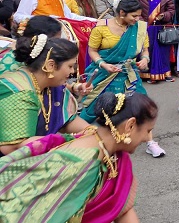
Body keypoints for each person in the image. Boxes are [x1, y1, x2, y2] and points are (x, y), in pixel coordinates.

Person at [0, 92, 158, 222]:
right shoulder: (80, 165)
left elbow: (123, 210)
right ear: (130, 126)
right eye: (148, 130)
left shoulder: (112, 154)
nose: (147, 137)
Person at [0, 36, 90, 156]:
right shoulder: (21, 92)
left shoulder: (51, 86)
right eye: (69, 66)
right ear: (50, 66)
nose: (72, 72)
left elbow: (67, 120)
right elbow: (13, 147)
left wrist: (93, 132)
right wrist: (69, 144)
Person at [136, 0, 176, 83]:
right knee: (148, 50)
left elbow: (171, 10)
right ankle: (147, 74)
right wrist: (141, 22)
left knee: (163, 51)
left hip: (161, 27)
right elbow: (135, 9)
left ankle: (165, 73)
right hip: (146, 28)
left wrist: (164, 15)